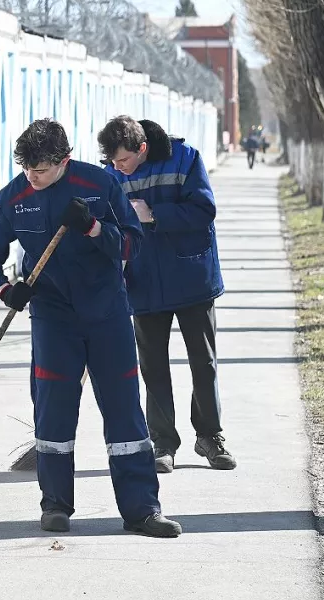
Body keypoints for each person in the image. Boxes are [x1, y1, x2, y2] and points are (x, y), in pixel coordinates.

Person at [0, 118, 182, 538]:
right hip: (52, 317)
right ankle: (55, 505)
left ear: (64, 160)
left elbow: (133, 244)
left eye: (43, 170)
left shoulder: (99, 184)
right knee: (53, 411)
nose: (34, 177)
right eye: (28, 170)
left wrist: (94, 227)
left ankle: (141, 509)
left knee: (123, 410)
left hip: (107, 313)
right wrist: (3, 289)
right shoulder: (14, 197)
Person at [98, 115, 236, 474]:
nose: (118, 168)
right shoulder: (111, 176)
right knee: (153, 367)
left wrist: (154, 213)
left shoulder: (185, 158)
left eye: (124, 160)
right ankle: (163, 442)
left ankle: (210, 436)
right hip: (142, 282)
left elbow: (204, 210)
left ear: (142, 148)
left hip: (191, 277)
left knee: (202, 363)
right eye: (112, 161)